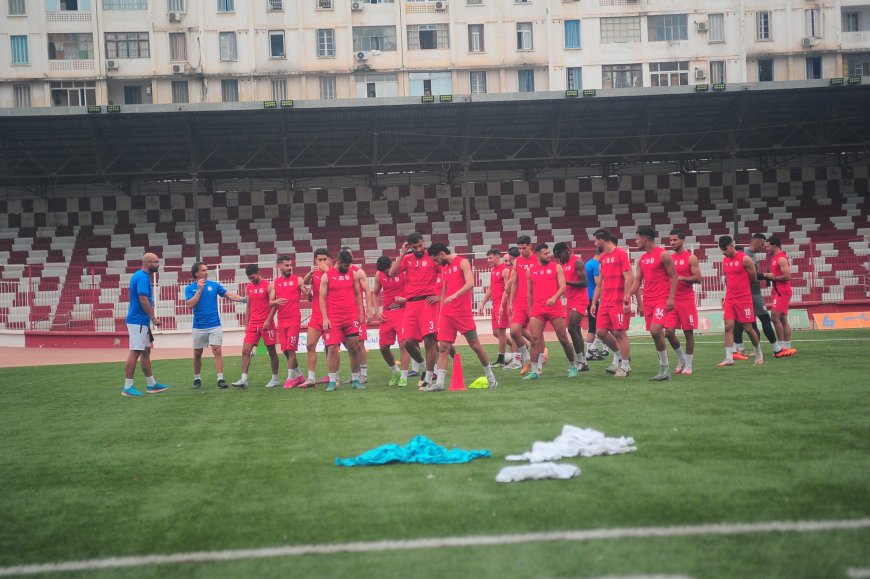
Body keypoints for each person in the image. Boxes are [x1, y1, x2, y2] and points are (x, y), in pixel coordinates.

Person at [425, 243, 498, 391]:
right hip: (447, 314)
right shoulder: (444, 269)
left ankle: (491, 377)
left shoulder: (462, 262)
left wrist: (455, 295)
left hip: (463, 314)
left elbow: (470, 283)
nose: (435, 263)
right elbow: (444, 290)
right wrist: (441, 314)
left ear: (441, 254)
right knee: (443, 347)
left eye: (435, 259)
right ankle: (439, 383)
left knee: (475, 346)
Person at [388, 231, 440, 390]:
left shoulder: (432, 257)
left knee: (430, 341)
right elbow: (392, 273)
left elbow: (445, 276)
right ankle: (428, 369)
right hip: (411, 305)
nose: (418, 249)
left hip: (427, 303)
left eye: (420, 245)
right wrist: (402, 254)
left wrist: (439, 296)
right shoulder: (407, 259)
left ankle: (431, 375)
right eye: (414, 247)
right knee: (408, 342)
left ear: (424, 243)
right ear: (409, 246)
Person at [627, 226, 679, 381]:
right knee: (654, 333)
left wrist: (671, 298)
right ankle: (665, 369)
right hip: (649, 300)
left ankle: (665, 369)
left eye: (637, 238)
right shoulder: (642, 259)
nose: (636, 241)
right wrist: (628, 295)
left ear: (645, 238)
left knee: (656, 330)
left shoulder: (663, 255)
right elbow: (637, 281)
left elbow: (674, 277)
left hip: (662, 299)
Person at [185, 262, 246, 389]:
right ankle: (197, 379)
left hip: (214, 325)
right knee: (197, 353)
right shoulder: (190, 288)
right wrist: (199, 290)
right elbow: (191, 304)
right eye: (203, 270)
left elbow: (228, 295)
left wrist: (243, 299)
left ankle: (220, 379)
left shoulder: (214, 285)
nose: (206, 272)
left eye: (207, 270)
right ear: (196, 273)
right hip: (198, 326)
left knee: (217, 351)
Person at [523, 243, 577, 380]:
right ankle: (535, 371)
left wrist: (554, 298)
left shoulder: (556, 267)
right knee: (534, 340)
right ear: (537, 255)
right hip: (538, 310)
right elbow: (529, 293)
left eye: (549, 253)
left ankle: (573, 366)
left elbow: (563, 287)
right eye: (545, 253)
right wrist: (530, 310)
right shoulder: (530, 271)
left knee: (563, 339)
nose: (549, 255)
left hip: (555, 308)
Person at [121, 252, 169, 397]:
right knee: (135, 351)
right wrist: (153, 318)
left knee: (145, 352)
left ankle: (151, 384)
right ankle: (127, 387)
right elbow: (143, 300)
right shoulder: (142, 277)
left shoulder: (140, 276)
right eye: (155, 262)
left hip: (141, 321)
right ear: (147, 262)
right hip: (138, 321)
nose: (158, 264)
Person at [589, 230, 634, 378]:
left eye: (596, 241)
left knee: (620, 332)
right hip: (605, 302)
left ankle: (625, 367)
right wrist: (594, 303)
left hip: (618, 302)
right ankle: (620, 355)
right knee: (600, 332)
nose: (595, 243)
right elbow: (600, 284)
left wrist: (627, 299)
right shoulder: (602, 259)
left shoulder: (621, 254)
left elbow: (628, 278)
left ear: (602, 240)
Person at [320, 250, 366, 391]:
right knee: (332, 348)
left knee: (354, 348)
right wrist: (325, 318)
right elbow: (322, 298)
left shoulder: (352, 274)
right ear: (338, 263)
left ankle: (356, 380)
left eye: (349, 265)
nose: (348, 268)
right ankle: (332, 381)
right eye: (345, 265)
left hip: (350, 317)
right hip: (334, 318)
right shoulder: (327, 276)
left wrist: (360, 312)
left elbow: (358, 294)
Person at [733, 233, 783, 359]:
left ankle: (740, 350)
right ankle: (776, 349)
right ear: (756, 243)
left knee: (744, 322)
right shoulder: (748, 255)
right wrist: (766, 275)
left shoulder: (751, 255)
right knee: (765, 319)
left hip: (750, 292)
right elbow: (752, 275)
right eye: (762, 244)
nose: (764, 247)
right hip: (751, 293)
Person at [232, 264, 280, 389]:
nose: (251, 279)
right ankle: (243, 379)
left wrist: (268, 321)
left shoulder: (268, 286)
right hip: (253, 324)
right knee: (245, 351)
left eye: (252, 277)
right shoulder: (249, 287)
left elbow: (274, 305)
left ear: (258, 272)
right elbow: (248, 306)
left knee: (271, 352)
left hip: (266, 324)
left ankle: (275, 379)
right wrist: (246, 324)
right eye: (249, 278)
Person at [717, 235, 763, 367]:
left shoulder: (745, 259)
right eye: (722, 250)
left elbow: (753, 278)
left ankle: (759, 353)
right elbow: (727, 279)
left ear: (731, 245)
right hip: (730, 299)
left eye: (725, 249)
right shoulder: (724, 260)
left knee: (748, 328)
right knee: (728, 326)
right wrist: (725, 296)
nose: (724, 252)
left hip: (743, 298)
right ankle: (729, 357)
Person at [371, 255, 410, 387]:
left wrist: (405, 300)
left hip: (403, 311)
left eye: (388, 270)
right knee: (383, 347)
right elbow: (374, 293)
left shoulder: (403, 271)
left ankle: (404, 376)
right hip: (387, 314)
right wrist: (377, 311)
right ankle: (396, 371)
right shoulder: (379, 275)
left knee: (403, 344)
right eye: (384, 271)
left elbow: (415, 289)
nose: (387, 273)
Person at [668, 229, 702, 375]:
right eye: (670, 240)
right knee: (668, 332)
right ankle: (681, 358)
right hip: (672, 300)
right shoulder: (669, 258)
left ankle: (688, 365)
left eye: (675, 240)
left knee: (688, 333)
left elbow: (698, 278)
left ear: (682, 241)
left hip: (686, 299)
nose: (672, 243)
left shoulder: (691, 258)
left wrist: (681, 278)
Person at [271, 255, 308, 388]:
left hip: (293, 319)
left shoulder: (298, 280)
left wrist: (307, 290)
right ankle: (299, 375)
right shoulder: (275, 283)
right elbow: (270, 302)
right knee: (285, 350)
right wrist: (274, 301)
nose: (289, 268)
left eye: (290, 265)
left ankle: (290, 378)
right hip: (281, 320)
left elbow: (308, 295)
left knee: (291, 350)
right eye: (286, 265)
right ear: (279, 266)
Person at [553, 242, 590, 373]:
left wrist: (566, 282)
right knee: (576, 330)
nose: (559, 259)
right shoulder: (563, 266)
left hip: (580, 300)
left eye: (560, 256)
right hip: (570, 300)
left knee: (571, 328)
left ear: (566, 251)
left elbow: (584, 282)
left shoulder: (577, 262)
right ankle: (583, 362)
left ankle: (581, 361)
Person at [477, 248, 514, 367]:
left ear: (497, 257)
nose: (488, 261)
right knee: (495, 332)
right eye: (488, 258)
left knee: (501, 332)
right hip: (495, 304)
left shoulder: (505, 270)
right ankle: (519, 346)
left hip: (501, 304)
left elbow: (509, 289)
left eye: (490, 258)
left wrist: (506, 305)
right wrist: (483, 302)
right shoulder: (493, 270)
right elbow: (491, 288)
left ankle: (501, 359)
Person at [300, 248, 331, 388]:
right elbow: (305, 283)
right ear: (315, 261)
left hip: (331, 316)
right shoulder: (315, 274)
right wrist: (311, 272)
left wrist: (327, 271)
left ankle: (333, 377)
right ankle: (311, 378)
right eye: (320, 260)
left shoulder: (333, 273)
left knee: (331, 347)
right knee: (310, 345)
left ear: (330, 260)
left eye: (325, 259)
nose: (322, 262)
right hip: (316, 316)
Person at [764, 235, 796, 357]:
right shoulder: (775, 258)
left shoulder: (781, 258)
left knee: (774, 318)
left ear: (774, 245)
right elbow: (776, 274)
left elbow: (787, 276)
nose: (767, 249)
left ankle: (781, 347)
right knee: (782, 319)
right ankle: (787, 346)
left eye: (768, 246)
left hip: (782, 292)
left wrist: (774, 278)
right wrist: (765, 275)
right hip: (779, 291)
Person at [507, 235, 535, 374]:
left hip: (535, 302)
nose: (522, 251)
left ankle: (538, 360)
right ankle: (527, 358)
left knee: (536, 334)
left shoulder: (537, 259)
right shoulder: (517, 262)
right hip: (520, 301)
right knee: (514, 331)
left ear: (530, 246)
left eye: (524, 248)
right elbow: (515, 282)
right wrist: (511, 302)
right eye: (520, 248)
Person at [343, 247, 371, 384]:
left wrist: (369, 310)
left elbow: (367, 290)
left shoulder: (358, 272)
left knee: (360, 343)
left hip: (357, 312)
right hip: (344, 313)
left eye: (350, 254)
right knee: (350, 345)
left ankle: (364, 374)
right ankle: (355, 373)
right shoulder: (339, 272)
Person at [584, 246, 608, 361]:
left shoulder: (588, 263)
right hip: (594, 297)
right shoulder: (596, 265)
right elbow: (598, 282)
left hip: (587, 296)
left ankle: (591, 351)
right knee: (599, 326)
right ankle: (592, 350)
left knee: (592, 326)